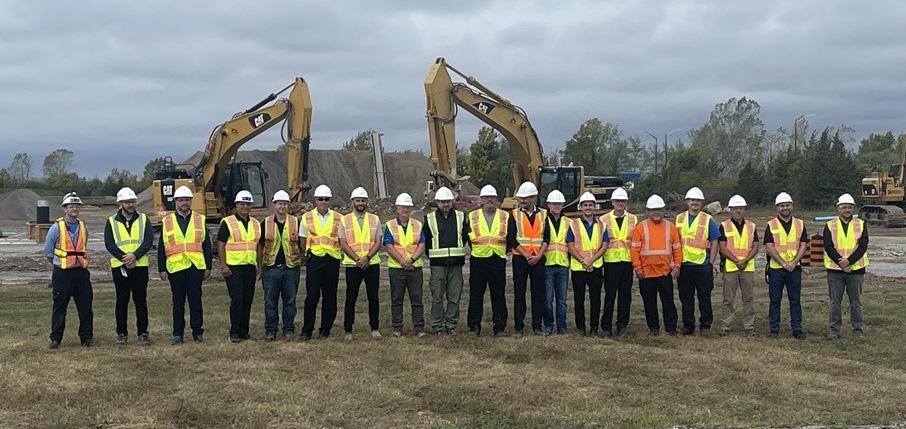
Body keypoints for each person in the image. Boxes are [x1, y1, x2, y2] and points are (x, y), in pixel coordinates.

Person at [158, 185, 212, 344]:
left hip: (195, 266)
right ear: (175, 202)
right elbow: (162, 246)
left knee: (196, 301)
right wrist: (162, 268)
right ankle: (177, 334)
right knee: (178, 303)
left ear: (191, 201)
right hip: (176, 267)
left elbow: (206, 245)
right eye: (181, 200)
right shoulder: (167, 221)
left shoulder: (199, 219)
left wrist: (208, 266)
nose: (184, 203)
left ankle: (197, 332)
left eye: (187, 200)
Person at [104, 187, 154, 345]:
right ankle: (121, 333)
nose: (130, 204)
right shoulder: (111, 222)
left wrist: (135, 256)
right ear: (120, 204)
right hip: (120, 267)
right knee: (122, 300)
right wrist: (125, 258)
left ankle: (143, 332)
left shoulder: (144, 219)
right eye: (126, 202)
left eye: (132, 201)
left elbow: (148, 242)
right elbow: (109, 244)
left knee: (140, 301)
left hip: (140, 266)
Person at [45, 192, 93, 349]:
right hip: (62, 274)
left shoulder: (83, 226)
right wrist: (59, 263)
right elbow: (48, 251)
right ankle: (56, 338)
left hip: (81, 273)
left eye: (77, 206)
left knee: (85, 307)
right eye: (71, 206)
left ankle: (86, 337)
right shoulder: (56, 228)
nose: (74, 208)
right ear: (65, 209)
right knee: (60, 307)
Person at [629, 195, 682, 336]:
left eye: (659, 209)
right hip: (646, 273)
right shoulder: (640, 227)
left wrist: (677, 266)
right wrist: (637, 267)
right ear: (648, 211)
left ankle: (671, 328)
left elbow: (677, 248)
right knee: (649, 303)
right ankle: (653, 328)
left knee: (668, 302)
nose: (656, 212)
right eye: (653, 210)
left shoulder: (671, 228)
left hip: (665, 272)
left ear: (663, 210)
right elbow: (634, 249)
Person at [423, 186, 470, 335]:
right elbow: (426, 241)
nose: (445, 204)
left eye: (448, 201)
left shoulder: (461, 217)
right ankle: (437, 326)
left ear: (452, 202)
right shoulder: (429, 218)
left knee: (454, 296)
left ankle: (451, 325)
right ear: (437, 202)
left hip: (456, 264)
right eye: (442, 202)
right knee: (437, 297)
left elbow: (463, 237)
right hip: (437, 265)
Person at [298, 184, 342, 341]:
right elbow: (302, 239)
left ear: (329, 200)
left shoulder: (338, 218)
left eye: (326, 199)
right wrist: (309, 252)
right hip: (315, 260)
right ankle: (307, 331)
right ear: (316, 200)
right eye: (320, 199)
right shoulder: (307, 217)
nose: (323, 202)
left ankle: (325, 330)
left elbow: (342, 239)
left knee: (330, 297)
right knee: (312, 296)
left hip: (332, 259)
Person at [675, 187, 721, 336]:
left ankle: (705, 325)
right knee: (686, 298)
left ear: (701, 202)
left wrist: (711, 262)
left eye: (697, 200)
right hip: (684, 265)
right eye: (692, 200)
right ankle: (688, 325)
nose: (695, 202)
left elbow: (714, 241)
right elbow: (675, 241)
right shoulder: (679, 218)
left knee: (704, 297)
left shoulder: (708, 219)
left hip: (702, 265)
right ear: (687, 201)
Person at [823, 193, 869, 340]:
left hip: (856, 270)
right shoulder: (830, 225)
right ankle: (834, 331)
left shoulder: (861, 224)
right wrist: (841, 263)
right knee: (835, 302)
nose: (847, 210)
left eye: (849, 207)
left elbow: (863, 246)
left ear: (853, 208)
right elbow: (828, 247)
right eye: (844, 207)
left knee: (856, 302)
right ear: (838, 209)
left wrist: (848, 262)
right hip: (835, 270)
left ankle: (857, 330)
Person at [763, 192, 809, 339]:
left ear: (792, 206)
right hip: (777, 269)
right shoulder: (771, 225)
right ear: (777, 208)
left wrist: (794, 262)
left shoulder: (800, 224)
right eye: (782, 206)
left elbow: (803, 245)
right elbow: (769, 247)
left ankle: (797, 328)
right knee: (775, 300)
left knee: (795, 300)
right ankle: (774, 329)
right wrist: (783, 263)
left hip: (794, 268)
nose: (785, 208)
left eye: (787, 205)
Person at [258, 190, 302, 341]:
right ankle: (271, 330)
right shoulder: (266, 222)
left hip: (291, 268)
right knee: (270, 301)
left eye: (284, 203)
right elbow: (260, 244)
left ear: (288, 205)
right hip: (271, 268)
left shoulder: (296, 222)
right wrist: (260, 266)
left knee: (290, 301)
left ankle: (288, 329)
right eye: (279, 203)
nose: (282, 206)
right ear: (274, 205)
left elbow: (302, 244)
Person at [217, 190, 261, 342]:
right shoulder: (228, 222)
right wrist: (223, 265)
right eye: (242, 204)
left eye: (248, 204)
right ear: (236, 205)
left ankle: (244, 331)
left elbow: (258, 246)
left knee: (247, 299)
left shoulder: (255, 223)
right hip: (233, 267)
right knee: (237, 299)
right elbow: (221, 244)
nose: (245, 207)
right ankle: (234, 332)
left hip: (249, 266)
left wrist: (258, 266)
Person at [467, 185, 510, 337]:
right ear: (481, 200)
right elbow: (466, 236)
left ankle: (499, 327)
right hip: (478, 259)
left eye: (492, 197)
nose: (489, 200)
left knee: (498, 294)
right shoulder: (472, 216)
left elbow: (510, 236)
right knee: (476, 294)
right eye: (486, 197)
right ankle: (474, 326)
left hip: (497, 259)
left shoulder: (505, 215)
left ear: (496, 199)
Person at [340, 187, 383, 340]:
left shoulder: (375, 219)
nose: (360, 203)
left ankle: (375, 328)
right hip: (353, 265)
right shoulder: (345, 220)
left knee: (373, 297)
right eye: (358, 200)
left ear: (367, 202)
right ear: (353, 202)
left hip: (371, 263)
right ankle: (348, 330)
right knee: (351, 297)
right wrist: (358, 259)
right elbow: (343, 243)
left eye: (363, 200)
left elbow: (378, 241)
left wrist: (367, 257)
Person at [508, 181, 549, 336]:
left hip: (538, 259)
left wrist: (538, 256)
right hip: (520, 258)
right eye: (521, 198)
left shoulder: (544, 214)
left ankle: (537, 326)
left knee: (538, 293)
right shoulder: (514, 214)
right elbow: (511, 238)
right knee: (519, 293)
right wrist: (526, 255)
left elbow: (547, 237)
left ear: (533, 198)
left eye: (525, 198)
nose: (522, 201)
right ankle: (519, 326)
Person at [384, 193, 426, 337]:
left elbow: (421, 245)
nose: (405, 210)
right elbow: (389, 246)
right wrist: (403, 261)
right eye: (403, 207)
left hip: (414, 267)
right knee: (397, 299)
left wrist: (411, 260)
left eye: (408, 207)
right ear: (397, 208)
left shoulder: (418, 224)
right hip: (397, 268)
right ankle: (397, 328)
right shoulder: (390, 225)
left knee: (417, 299)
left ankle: (419, 328)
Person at [567, 192, 609, 336]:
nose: (588, 207)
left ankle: (594, 327)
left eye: (590, 205)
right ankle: (580, 327)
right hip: (579, 268)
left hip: (595, 267)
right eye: (585, 205)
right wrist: (583, 261)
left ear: (595, 207)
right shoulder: (574, 224)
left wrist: (591, 260)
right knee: (579, 300)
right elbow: (570, 246)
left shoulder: (602, 225)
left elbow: (604, 245)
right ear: (580, 207)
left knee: (595, 299)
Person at [717, 195, 759, 336]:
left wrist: (745, 260)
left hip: (747, 267)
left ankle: (749, 327)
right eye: (735, 208)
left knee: (748, 298)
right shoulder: (724, 226)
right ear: (730, 209)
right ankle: (726, 326)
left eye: (740, 208)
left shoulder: (751, 226)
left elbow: (756, 246)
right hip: (731, 267)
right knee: (728, 299)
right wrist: (737, 260)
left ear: (744, 209)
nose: (738, 211)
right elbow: (722, 247)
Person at [599, 187, 637, 337]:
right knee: (610, 295)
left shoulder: (633, 219)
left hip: (627, 262)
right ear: (612, 202)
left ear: (626, 202)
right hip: (610, 262)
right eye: (617, 201)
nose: (620, 203)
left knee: (625, 295)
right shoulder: (603, 219)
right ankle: (606, 325)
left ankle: (622, 324)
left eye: (622, 201)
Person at [543, 190, 570, 335]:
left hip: (562, 265)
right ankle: (548, 325)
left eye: (559, 203)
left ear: (563, 204)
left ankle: (562, 327)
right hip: (547, 264)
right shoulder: (543, 220)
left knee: (562, 301)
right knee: (547, 300)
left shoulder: (569, 222)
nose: (556, 206)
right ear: (548, 204)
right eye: (554, 203)